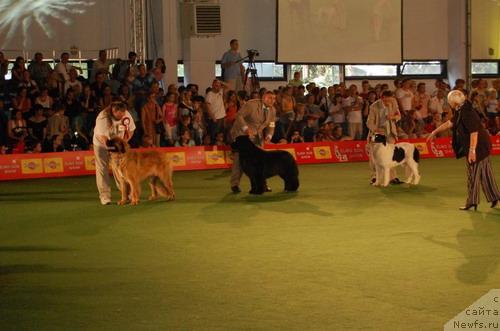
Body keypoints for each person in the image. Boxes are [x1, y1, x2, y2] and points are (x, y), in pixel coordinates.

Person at [427, 90, 500, 210]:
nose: (448, 102)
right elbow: (451, 122)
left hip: (478, 146)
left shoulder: (467, 112)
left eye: (449, 101)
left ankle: (472, 201)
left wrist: (472, 151)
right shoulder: (462, 108)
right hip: (482, 145)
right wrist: (434, 131)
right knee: (485, 173)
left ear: (453, 102)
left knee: (473, 174)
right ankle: (494, 197)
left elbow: (474, 132)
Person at [229, 91, 276, 193]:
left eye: (274, 98)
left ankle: (263, 185)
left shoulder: (273, 110)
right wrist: (246, 129)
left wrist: (269, 135)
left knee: (261, 161)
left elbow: (271, 124)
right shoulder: (251, 105)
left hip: (257, 136)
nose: (272, 100)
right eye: (270, 98)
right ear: (263, 98)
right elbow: (239, 116)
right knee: (239, 160)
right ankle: (235, 184)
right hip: (241, 134)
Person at [93, 101, 136, 205]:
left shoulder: (126, 114)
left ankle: (126, 194)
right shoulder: (102, 117)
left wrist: (123, 144)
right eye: (120, 114)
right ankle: (105, 196)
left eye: (123, 113)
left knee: (122, 168)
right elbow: (102, 137)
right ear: (114, 111)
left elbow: (130, 130)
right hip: (101, 144)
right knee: (102, 169)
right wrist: (111, 148)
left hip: (118, 143)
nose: (122, 116)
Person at [366, 90, 402, 184]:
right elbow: (369, 122)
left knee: (391, 155)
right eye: (386, 101)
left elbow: (399, 116)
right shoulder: (374, 106)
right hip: (377, 133)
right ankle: (375, 177)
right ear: (382, 98)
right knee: (375, 156)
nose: (388, 103)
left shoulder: (394, 102)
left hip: (390, 132)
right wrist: (376, 130)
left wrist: (393, 117)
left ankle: (393, 177)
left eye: (390, 100)